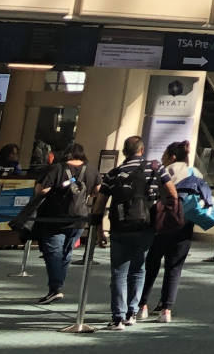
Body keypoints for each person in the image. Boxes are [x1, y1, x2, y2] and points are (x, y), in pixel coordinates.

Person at [92, 135, 162, 330]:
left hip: (120, 228)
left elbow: (99, 205)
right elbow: (171, 192)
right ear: (142, 150)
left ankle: (118, 317)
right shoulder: (155, 169)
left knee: (118, 273)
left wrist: (99, 231)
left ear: (124, 152)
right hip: (145, 228)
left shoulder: (113, 173)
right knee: (139, 269)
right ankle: (132, 312)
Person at [142, 140, 208, 323]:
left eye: (165, 154)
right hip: (185, 224)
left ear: (172, 156)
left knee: (151, 264)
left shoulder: (166, 171)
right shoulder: (196, 172)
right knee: (174, 268)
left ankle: (142, 305)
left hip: (163, 223)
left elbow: (153, 195)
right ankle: (166, 309)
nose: (162, 157)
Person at [28, 142, 90, 305]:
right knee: (66, 252)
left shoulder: (57, 168)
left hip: (55, 218)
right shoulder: (90, 170)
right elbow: (98, 189)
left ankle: (56, 288)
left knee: (53, 253)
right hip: (79, 218)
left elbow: (43, 190)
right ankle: (57, 286)